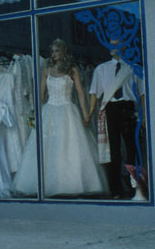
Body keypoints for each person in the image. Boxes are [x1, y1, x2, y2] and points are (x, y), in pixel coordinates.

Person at [12, 39, 107, 197]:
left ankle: (71, 184)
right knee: (48, 148)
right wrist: (35, 113)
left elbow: (81, 94)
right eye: (52, 51)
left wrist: (85, 113)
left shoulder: (72, 70)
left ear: (63, 52)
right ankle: (47, 184)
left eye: (57, 50)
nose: (54, 54)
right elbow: (41, 94)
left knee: (69, 146)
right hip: (49, 110)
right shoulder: (46, 70)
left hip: (68, 110)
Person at [86, 43, 143, 199]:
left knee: (132, 150)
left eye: (117, 44)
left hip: (128, 109)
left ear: (125, 46)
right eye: (111, 44)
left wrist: (144, 115)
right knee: (113, 151)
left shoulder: (134, 68)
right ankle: (116, 190)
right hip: (110, 109)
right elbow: (94, 93)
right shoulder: (101, 69)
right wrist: (90, 113)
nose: (113, 47)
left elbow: (142, 94)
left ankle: (134, 188)